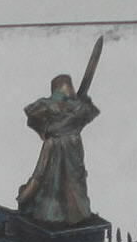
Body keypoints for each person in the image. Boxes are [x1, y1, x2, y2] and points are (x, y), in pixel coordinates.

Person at [17, 73, 100, 226]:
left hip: (68, 148)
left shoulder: (72, 111)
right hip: (66, 146)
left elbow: (35, 117)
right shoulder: (77, 110)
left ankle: (66, 212)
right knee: (54, 180)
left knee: (68, 180)